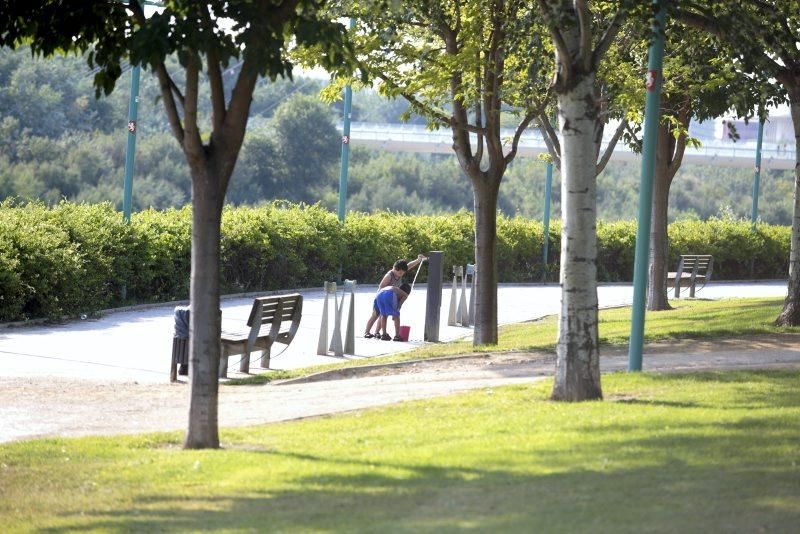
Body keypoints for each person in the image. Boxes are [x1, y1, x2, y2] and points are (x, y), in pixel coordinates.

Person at [364, 254, 427, 338]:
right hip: (380, 298)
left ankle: (377, 332)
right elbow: (381, 287)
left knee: (384, 315)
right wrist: (389, 292)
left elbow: (409, 265)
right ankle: (367, 332)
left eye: (402, 272)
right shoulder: (389, 276)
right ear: (394, 268)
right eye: (398, 272)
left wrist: (418, 260)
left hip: (389, 298)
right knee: (375, 315)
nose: (400, 274)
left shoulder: (401, 271)